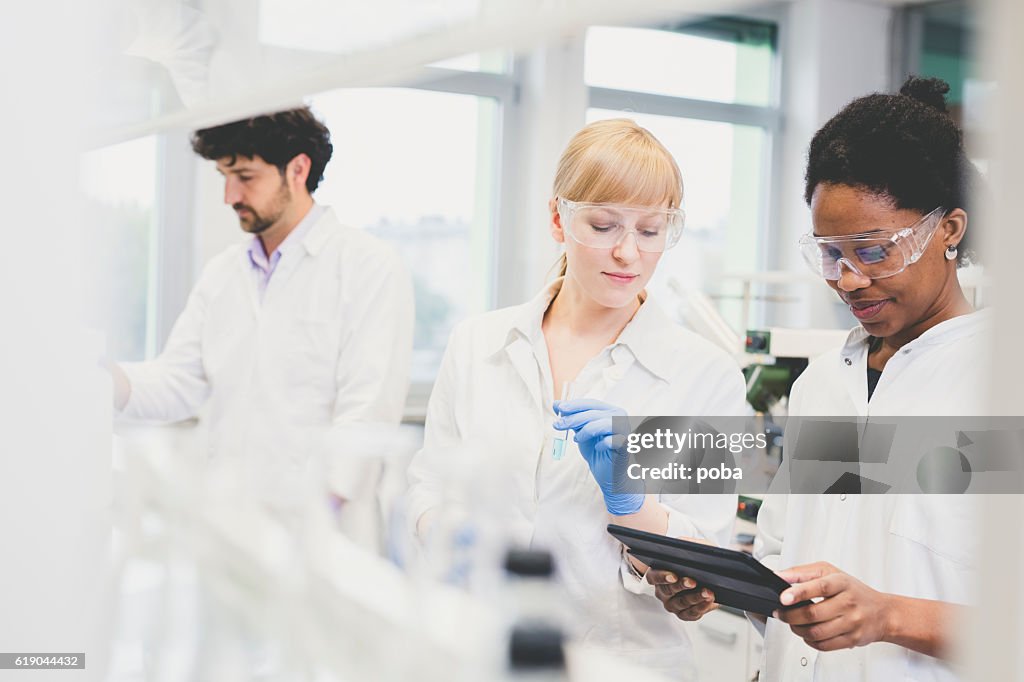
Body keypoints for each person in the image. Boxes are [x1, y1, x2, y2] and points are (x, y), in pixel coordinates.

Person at [647, 77, 990, 681]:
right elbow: (787, 566)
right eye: (832, 253)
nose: (849, 279)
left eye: (874, 250)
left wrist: (889, 616)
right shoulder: (824, 385)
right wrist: (724, 589)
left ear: (949, 230)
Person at [405, 118, 747, 678]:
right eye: (604, 224)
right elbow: (428, 482)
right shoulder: (479, 344)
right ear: (557, 218)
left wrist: (634, 504)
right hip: (474, 653)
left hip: (620, 665)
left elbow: (706, 559)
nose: (627, 254)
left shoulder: (705, 374)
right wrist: (450, 532)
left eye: (651, 230)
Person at [110, 106, 414, 509]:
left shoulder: (368, 267)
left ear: (298, 170)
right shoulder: (223, 274)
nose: (229, 197)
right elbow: (176, 382)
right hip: (232, 527)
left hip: (321, 536)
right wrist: (97, 378)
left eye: (245, 178)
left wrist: (312, 521)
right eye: (224, 177)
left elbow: (366, 419)